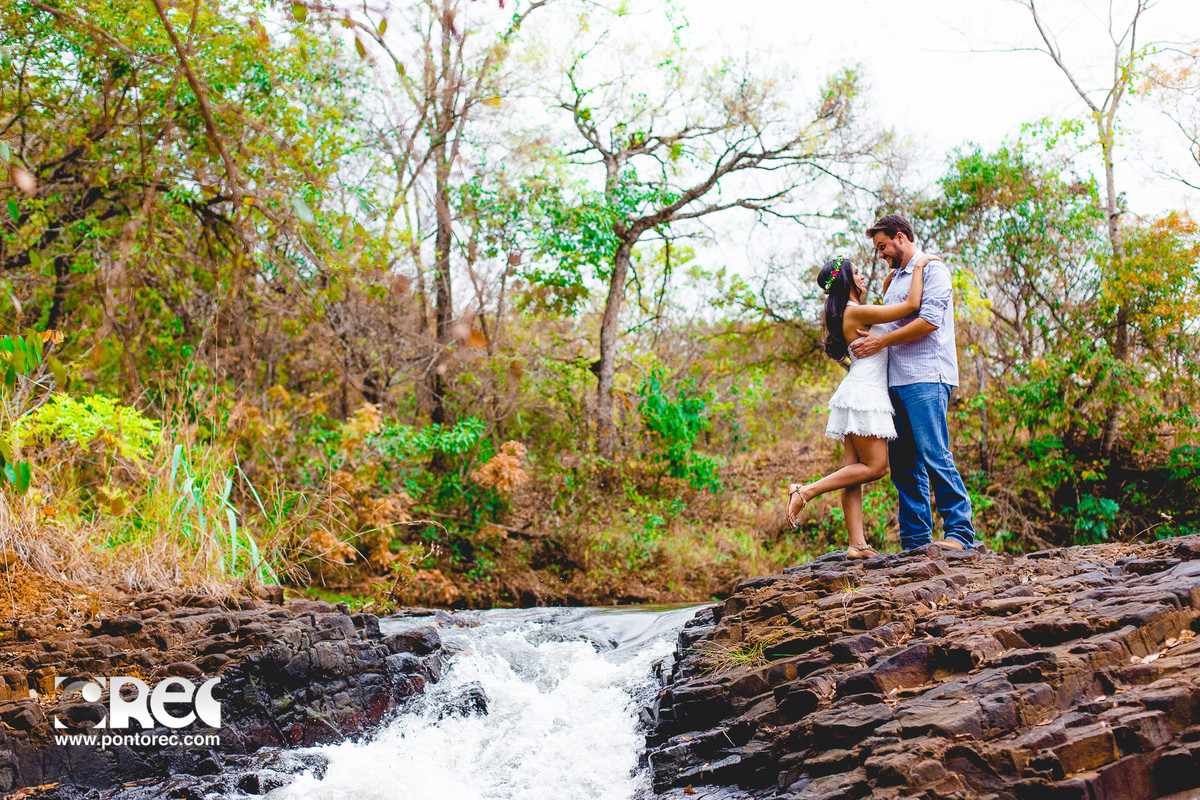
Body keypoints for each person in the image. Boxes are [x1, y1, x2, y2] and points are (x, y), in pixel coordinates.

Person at [785, 253, 937, 558]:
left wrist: (885, 286)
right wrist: (919, 266)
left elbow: (888, 316)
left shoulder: (852, 311)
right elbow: (910, 307)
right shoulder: (855, 312)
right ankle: (806, 491)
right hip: (865, 394)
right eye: (857, 273)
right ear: (846, 280)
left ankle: (856, 544)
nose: (862, 276)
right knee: (876, 467)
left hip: (859, 391)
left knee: (852, 470)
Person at [849, 213, 976, 551]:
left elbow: (929, 321)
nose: (880, 254)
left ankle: (960, 534)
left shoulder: (933, 269)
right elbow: (889, 326)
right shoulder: (894, 281)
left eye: (882, 246)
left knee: (934, 453)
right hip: (896, 382)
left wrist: (879, 342)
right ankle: (916, 542)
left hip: (927, 376)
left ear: (900, 237)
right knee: (904, 466)